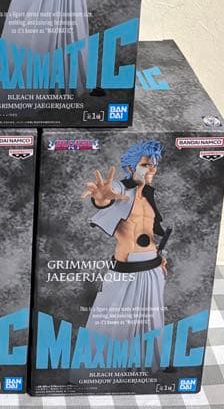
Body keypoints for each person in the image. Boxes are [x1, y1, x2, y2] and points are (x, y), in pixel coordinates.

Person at [82, 140, 167, 359]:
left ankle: (144, 370)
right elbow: (107, 195)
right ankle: (99, 369)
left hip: (153, 268)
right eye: (145, 164)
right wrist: (100, 198)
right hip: (125, 270)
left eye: (154, 165)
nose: (152, 169)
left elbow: (149, 231)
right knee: (109, 326)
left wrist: (160, 258)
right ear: (130, 167)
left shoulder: (149, 196)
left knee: (151, 324)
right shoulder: (122, 191)